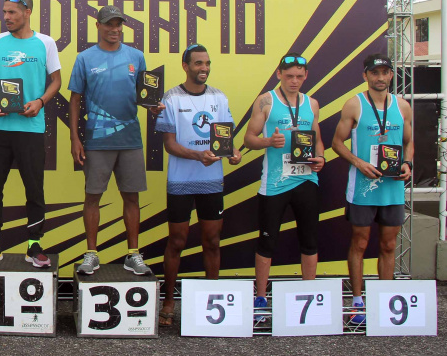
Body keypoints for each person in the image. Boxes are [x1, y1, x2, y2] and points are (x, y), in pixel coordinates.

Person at [69, 5, 163, 277]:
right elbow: (75, 99)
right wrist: (75, 138)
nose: (115, 29)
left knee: (131, 197)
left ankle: (133, 255)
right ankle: (91, 254)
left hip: (130, 139)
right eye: (109, 24)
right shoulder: (85, 58)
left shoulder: (136, 56)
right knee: (92, 197)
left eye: (119, 24)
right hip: (97, 140)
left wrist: (152, 107)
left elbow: (144, 95)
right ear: (98, 26)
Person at [154, 44, 241, 326]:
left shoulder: (219, 97)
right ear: (186, 66)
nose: (203, 68)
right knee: (177, 242)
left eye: (207, 63)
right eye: (198, 63)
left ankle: (210, 299)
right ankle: (168, 301)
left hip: (211, 181)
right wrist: (196, 155)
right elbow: (168, 144)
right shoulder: (171, 97)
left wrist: (233, 153)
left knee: (212, 242)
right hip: (181, 180)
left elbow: (225, 140)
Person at [0, 0, 62, 268]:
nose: (6, 18)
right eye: (4, 12)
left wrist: (40, 101)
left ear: (27, 12)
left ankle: (34, 245)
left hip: (31, 129)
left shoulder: (46, 43)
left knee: (35, 190)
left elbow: (56, 81)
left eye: (12, 12)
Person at [331, 54, 413, 325]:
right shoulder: (355, 104)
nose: (380, 77)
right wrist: (359, 162)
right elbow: (337, 143)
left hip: (392, 189)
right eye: (374, 73)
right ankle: (357, 301)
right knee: (361, 243)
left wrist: (408, 163)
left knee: (389, 244)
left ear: (391, 75)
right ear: (365, 75)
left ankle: (384, 301)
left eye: (385, 72)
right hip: (363, 189)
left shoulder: (402, 105)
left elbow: (409, 140)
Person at [243, 53, 325, 323]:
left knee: (310, 239)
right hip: (275, 183)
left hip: (305, 180)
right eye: (289, 76)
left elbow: (318, 138)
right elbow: (249, 138)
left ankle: (309, 294)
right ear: (279, 74)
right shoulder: (266, 101)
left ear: (305, 77)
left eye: (299, 76)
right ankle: (261, 296)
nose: (294, 81)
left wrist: (321, 158)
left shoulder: (312, 103)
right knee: (267, 241)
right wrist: (269, 142)